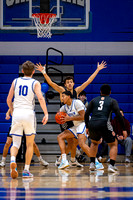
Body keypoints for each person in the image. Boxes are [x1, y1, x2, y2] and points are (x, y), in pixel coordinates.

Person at [36, 61, 107, 167]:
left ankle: (69, 159)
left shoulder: (77, 91)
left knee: (76, 142)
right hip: (65, 116)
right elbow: (51, 83)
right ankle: (67, 159)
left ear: (73, 83)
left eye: (71, 82)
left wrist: (97, 70)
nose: (69, 83)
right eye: (67, 82)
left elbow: (88, 81)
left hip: (77, 118)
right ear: (65, 84)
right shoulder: (62, 90)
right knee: (70, 141)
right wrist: (44, 72)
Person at [7, 60, 48, 179]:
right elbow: (40, 98)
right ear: (33, 72)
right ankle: (26, 170)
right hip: (29, 114)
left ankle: (13, 160)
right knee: (30, 144)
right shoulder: (35, 83)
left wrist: (12, 110)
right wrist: (46, 113)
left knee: (15, 143)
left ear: (22, 71)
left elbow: (9, 100)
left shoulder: (15, 81)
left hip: (17, 112)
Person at [85, 84, 127, 173]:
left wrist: (87, 126)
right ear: (110, 92)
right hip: (104, 123)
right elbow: (119, 115)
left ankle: (92, 164)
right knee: (113, 143)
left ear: (100, 92)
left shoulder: (93, 100)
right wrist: (123, 129)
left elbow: (86, 114)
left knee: (94, 142)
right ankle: (111, 165)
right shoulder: (112, 101)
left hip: (92, 123)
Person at [56, 90, 92, 169]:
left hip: (85, 123)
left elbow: (83, 117)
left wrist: (69, 118)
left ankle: (95, 162)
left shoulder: (77, 103)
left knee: (81, 143)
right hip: (76, 126)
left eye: (63, 96)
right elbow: (58, 114)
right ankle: (64, 160)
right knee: (60, 137)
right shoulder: (65, 107)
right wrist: (60, 117)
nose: (62, 98)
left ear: (69, 97)